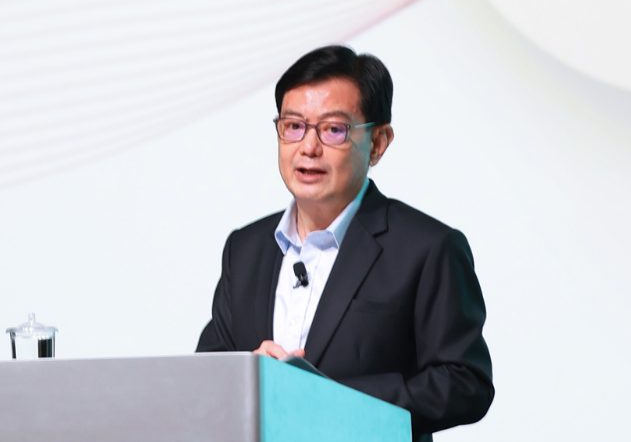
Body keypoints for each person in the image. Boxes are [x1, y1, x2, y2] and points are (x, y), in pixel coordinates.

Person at [195, 45, 493, 441]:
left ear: (378, 143)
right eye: (293, 126)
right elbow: (207, 372)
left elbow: (465, 383)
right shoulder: (245, 248)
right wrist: (250, 376)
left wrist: (326, 396)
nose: (308, 147)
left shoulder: (428, 248)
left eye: (333, 129)